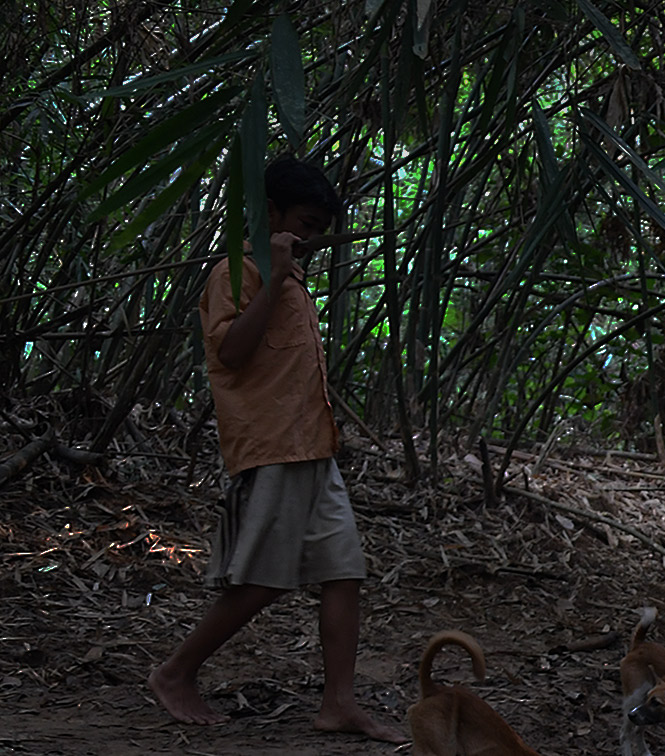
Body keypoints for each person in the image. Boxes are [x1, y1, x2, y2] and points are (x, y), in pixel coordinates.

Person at [148, 157, 406, 743]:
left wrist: (286, 272)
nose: (311, 239)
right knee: (265, 579)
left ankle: (338, 704)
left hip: (314, 446)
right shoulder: (236, 273)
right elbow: (232, 352)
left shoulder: (291, 282)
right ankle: (174, 672)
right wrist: (274, 271)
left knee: (343, 573)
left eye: (318, 229)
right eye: (305, 224)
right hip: (272, 448)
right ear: (270, 214)